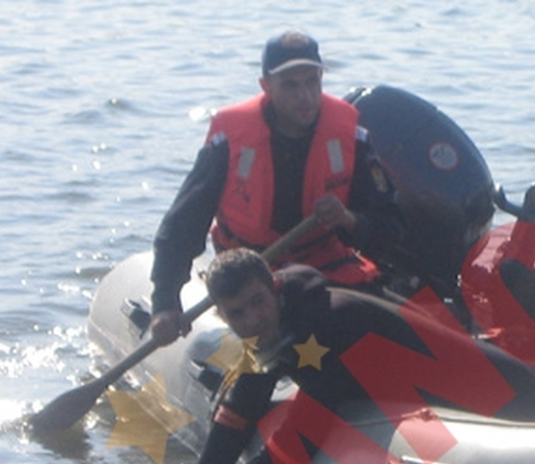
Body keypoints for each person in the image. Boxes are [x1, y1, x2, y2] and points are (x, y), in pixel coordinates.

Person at [185, 248, 535, 464]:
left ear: (273, 287)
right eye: (236, 313)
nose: (251, 319)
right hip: (488, 391)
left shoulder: (323, 324)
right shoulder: (279, 322)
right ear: (221, 315)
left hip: (509, 400)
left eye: (257, 303)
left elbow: (305, 434)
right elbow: (242, 407)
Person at [149, 30, 404, 347]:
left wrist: (348, 220)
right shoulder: (230, 142)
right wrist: (165, 302)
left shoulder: (351, 136)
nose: (305, 96)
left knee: (376, 322)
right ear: (266, 86)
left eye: (312, 82)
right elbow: (183, 226)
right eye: (291, 85)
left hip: (322, 266)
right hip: (249, 274)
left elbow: (390, 226)